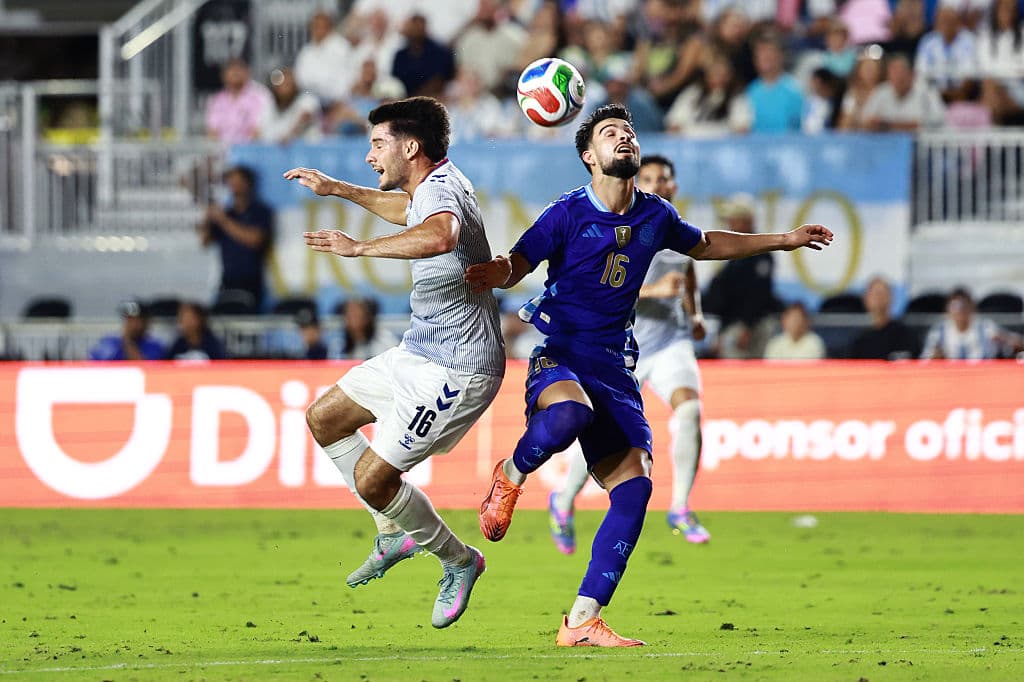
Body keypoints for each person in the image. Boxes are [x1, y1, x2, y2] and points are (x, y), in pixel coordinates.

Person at [465, 104, 832, 647]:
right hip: (563, 353)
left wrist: (784, 239)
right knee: (568, 414)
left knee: (635, 491)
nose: (624, 138)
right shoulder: (565, 214)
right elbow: (516, 264)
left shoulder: (655, 215)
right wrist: (492, 272)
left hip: (615, 366)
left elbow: (704, 244)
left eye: (629, 132)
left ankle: (582, 620)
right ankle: (510, 474)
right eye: (610, 133)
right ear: (589, 156)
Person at [283, 96, 505, 629]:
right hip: (419, 350)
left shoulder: (444, 191)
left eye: (377, 144)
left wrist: (359, 250)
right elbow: (410, 214)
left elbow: (441, 234)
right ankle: (391, 532)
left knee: (374, 480)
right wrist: (337, 189)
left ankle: (459, 561)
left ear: (411, 146)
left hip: (459, 367)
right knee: (323, 418)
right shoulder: (430, 186)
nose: (369, 156)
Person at [549, 154, 712, 555]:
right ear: (640, 181)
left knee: (690, 411)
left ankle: (680, 507)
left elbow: (687, 275)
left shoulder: (673, 229)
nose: (657, 184)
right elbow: (602, 285)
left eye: (664, 178)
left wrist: (695, 315)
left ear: (673, 186)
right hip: (621, 348)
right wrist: (655, 292)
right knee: (599, 434)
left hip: (671, 342)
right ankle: (564, 500)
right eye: (650, 177)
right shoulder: (622, 227)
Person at [702, 195, 781, 359]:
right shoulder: (734, 255)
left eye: (734, 219)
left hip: (752, 327)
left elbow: (759, 294)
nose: (729, 224)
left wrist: (747, 326)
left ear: (747, 221)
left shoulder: (761, 253)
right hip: (732, 326)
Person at [199, 165, 275, 312]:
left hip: (251, 280)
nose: (234, 186)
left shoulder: (260, 211)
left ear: (249, 184)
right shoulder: (227, 212)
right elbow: (204, 242)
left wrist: (223, 220)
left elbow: (255, 240)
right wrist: (207, 218)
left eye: (238, 181)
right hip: (227, 280)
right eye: (231, 181)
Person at [921, 287, 1024, 360]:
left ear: (972, 308)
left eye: (964, 306)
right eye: (955, 307)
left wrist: (1005, 339)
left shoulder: (986, 327)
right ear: (948, 310)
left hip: (982, 376)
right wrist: (935, 357)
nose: (960, 312)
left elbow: (1017, 343)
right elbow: (925, 359)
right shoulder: (939, 331)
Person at [862, 53, 946, 131]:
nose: (897, 77)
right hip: (885, 144)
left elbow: (938, 120)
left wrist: (889, 125)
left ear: (912, 74)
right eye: (893, 73)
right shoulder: (881, 92)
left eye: (901, 73)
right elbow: (866, 121)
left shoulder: (927, 92)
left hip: (921, 144)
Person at [849, 276, 921, 360]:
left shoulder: (907, 336)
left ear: (891, 297)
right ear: (866, 300)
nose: (879, 299)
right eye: (875, 294)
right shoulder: (860, 342)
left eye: (882, 293)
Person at [204, 58, 271, 146]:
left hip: (252, 151)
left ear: (247, 72)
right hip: (221, 152)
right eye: (231, 69)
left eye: (239, 68)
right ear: (223, 75)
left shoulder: (260, 96)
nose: (235, 72)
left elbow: (259, 131)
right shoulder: (216, 100)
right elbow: (212, 132)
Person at [88, 300, 166, 361]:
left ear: (146, 322)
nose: (131, 324)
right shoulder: (109, 341)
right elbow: (94, 364)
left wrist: (127, 340)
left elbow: (144, 369)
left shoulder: (154, 345)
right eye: (129, 319)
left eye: (136, 319)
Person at [763, 302, 827, 360]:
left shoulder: (815, 342)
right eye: (791, 319)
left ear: (806, 321)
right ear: (783, 321)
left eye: (797, 319)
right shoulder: (775, 343)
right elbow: (770, 367)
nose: (793, 323)